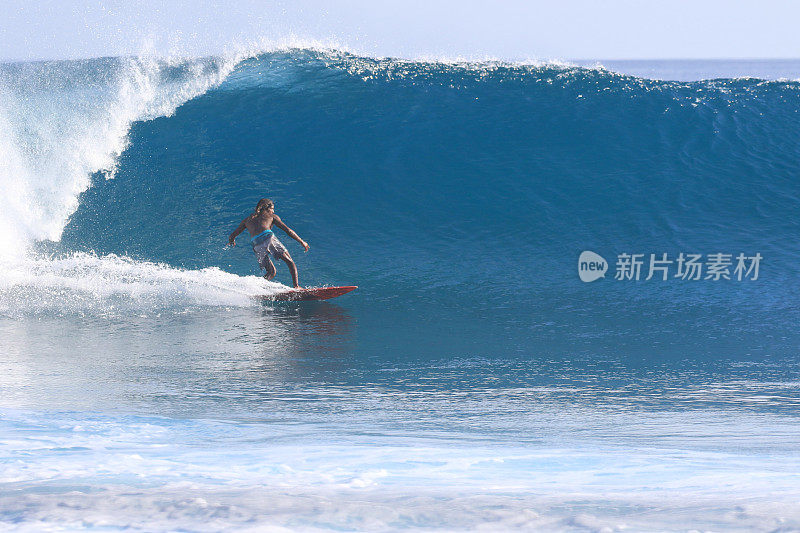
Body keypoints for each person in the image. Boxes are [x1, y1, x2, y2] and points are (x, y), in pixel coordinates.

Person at [228, 198, 309, 288]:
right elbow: (288, 231)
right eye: (272, 208)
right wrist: (302, 242)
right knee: (290, 262)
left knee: (271, 272)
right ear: (267, 208)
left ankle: (258, 288)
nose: (273, 211)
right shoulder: (272, 216)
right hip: (268, 238)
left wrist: (232, 242)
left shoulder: (247, 220)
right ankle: (296, 286)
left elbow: (232, 236)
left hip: (256, 244)